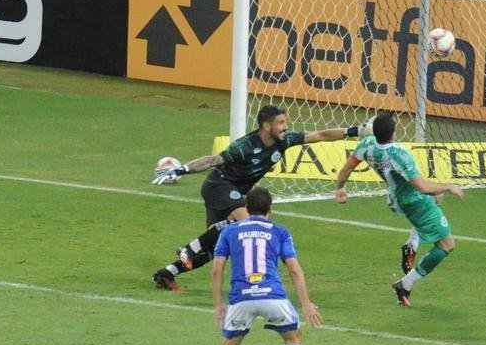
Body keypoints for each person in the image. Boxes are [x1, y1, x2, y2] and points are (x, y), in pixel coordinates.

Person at [150, 104, 372, 291]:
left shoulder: (285, 140)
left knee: (217, 247)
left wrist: (355, 130)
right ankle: (189, 250)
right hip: (219, 185)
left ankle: (167, 274)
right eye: (281, 122)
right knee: (251, 223)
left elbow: (321, 135)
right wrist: (181, 170)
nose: (286, 127)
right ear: (267, 126)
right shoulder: (244, 146)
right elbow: (211, 160)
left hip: (233, 191)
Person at [204, 187, 321, 345]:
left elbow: (217, 270)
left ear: (246, 209)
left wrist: (218, 305)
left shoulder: (229, 232)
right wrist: (306, 303)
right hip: (272, 296)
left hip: (241, 299)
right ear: (270, 209)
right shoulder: (280, 231)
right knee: (293, 338)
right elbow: (294, 270)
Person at [334, 112, 464, 306]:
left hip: (396, 197)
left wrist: (340, 188)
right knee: (446, 244)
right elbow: (423, 187)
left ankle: (412, 245)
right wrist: (449, 186)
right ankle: (405, 283)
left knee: (437, 196)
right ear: (394, 132)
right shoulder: (399, 154)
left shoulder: (367, 144)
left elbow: (346, 169)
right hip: (414, 200)